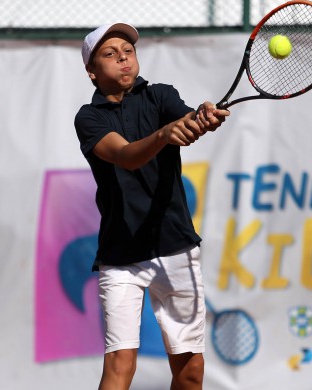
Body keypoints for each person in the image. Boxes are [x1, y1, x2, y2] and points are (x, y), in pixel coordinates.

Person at [74, 22, 230, 390]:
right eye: (110, 54)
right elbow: (127, 156)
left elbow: (187, 118)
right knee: (119, 364)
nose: (123, 59)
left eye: (128, 51)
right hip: (121, 255)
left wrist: (201, 117)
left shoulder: (160, 95)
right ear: (92, 72)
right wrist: (164, 134)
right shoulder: (89, 118)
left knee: (190, 374)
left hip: (176, 247)